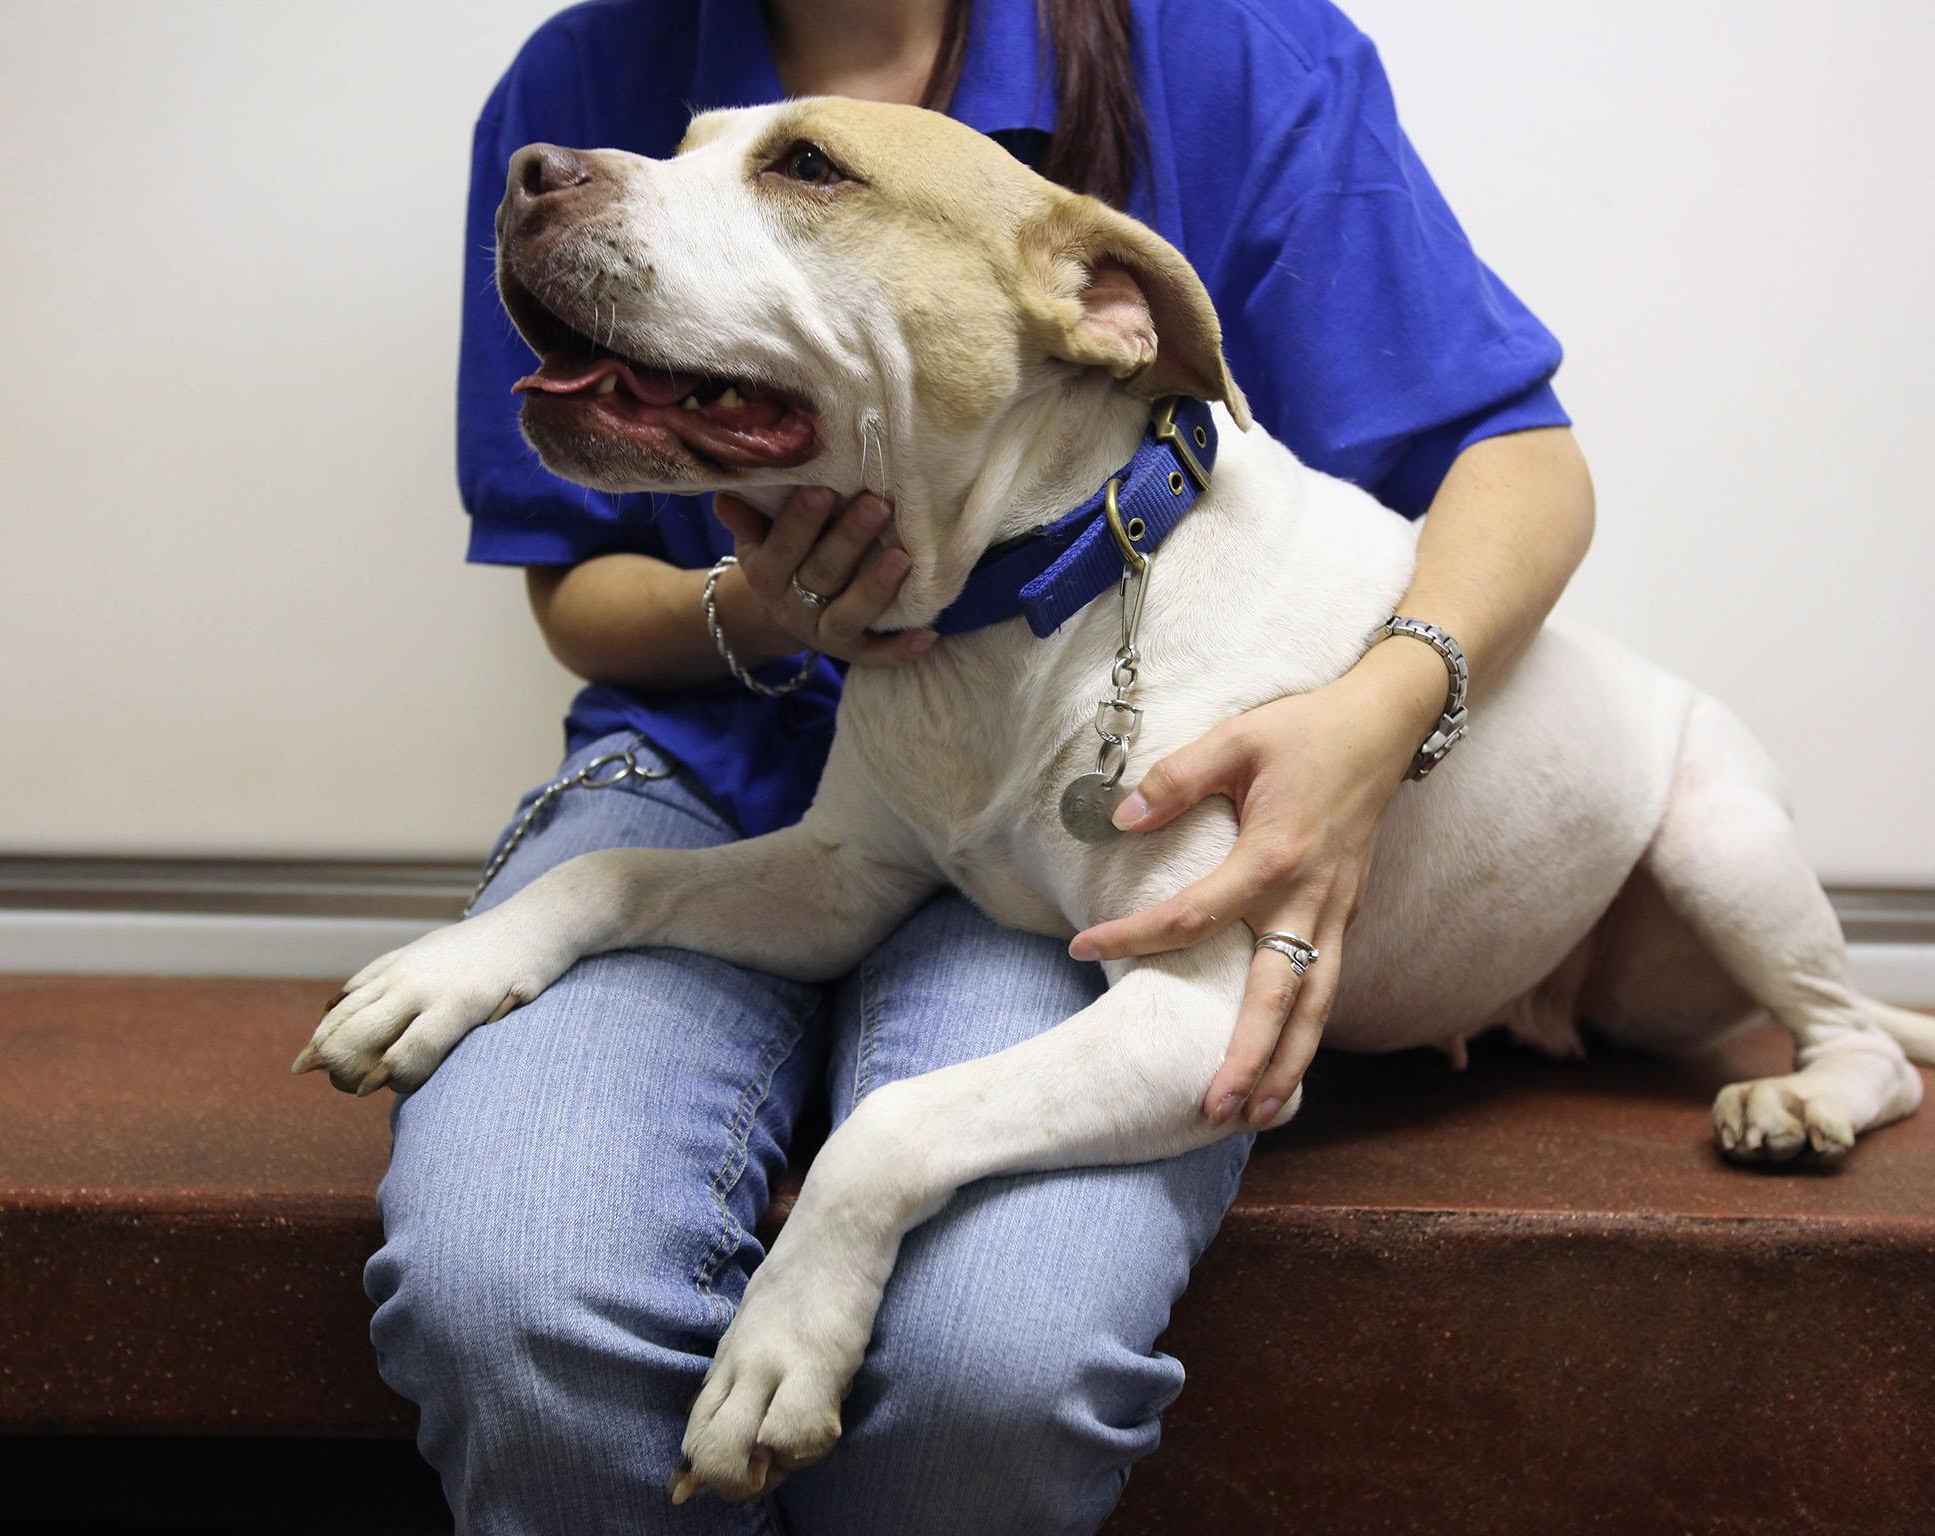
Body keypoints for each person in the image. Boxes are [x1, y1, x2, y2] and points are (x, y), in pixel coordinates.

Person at [365, 1, 1597, 1531]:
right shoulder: (582, 69)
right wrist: (761, 604)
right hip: (716, 778)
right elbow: (582, 599)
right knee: (506, 1300)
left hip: (1067, 813)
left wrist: (1374, 716)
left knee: (986, 1374)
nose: (602, 178)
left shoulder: (1229, 52)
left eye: (798, 172)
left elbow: (1519, 460)